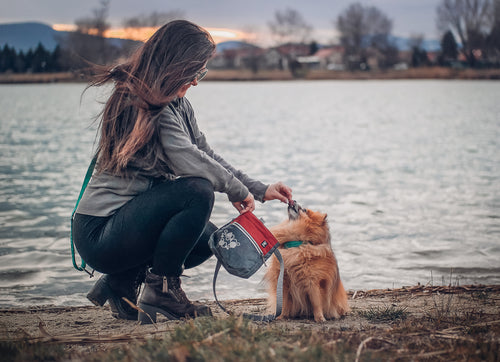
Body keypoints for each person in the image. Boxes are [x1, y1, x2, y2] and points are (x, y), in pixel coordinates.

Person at [72, 20, 293, 323]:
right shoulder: (144, 102)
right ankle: (162, 291)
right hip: (100, 231)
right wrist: (235, 190)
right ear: (176, 65)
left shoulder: (176, 103)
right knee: (196, 192)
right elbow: (188, 159)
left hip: (124, 226)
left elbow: (205, 153)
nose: (198, 81)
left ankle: (120, 283)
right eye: (196, 71)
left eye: (202, 72)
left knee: (208, 240)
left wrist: (258, 188)